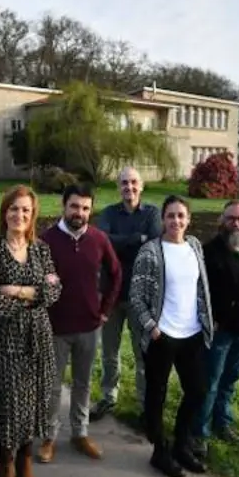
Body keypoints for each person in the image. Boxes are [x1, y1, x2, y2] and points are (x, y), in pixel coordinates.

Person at [0, 185, 62, 477]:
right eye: (14, 208)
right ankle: (6, 462)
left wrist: (19, 291)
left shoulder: (41, 250)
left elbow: (54, 290)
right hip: (6, 338)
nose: (20, 215)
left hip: (39, 335)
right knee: (10, 400)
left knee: (35, 396)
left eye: (25, 210)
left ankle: (26, 457)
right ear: (4, 212)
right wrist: (31, 295)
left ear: (33, 214)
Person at [127, 195, 214, 477]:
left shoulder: (195, 246)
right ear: (162, 220)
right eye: (170, 216)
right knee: (157, 395)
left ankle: (181, 444)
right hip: (162, 336)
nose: (176, 221)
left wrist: (205, 322)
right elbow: (136, 296)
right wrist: (152, 326)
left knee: (198, 390)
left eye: (181, 215)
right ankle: (160, 451)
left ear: (188, 219)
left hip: (191, 334)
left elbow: (201, 289)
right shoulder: (151, 252)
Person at [37, 184, 122, 463]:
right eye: (74, 206)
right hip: (56, 328)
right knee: (52, 385)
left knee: (83, 384)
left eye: (85, 208)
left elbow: (116, 273)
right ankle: (49, 437)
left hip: (89, 326)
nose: (80, 212)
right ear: (64, 206)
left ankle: (80, 433)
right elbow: (35, 280)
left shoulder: (99, 239)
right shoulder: (47, 240)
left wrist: (105, 310)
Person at [191, 200, 239, 459]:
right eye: (231, 218)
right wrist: (206, 320)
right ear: (221, 222)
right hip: (219, 332)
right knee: (210, 383)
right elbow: (196, 293)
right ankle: (198, 434)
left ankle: (222, 422)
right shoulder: (207, 253)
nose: (236, 223)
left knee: (230, 381)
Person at [91, 166, 162, 422]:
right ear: (118, 187)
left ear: (141, 186)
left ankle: (144, 406)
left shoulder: (152, 213)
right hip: (111, 294)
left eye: (133, 183)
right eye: (124, 183)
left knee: (142, 353)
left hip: (140, 297)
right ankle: (109, 397)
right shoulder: (109, 213)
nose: (129, 187)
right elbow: (101, 240)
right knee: (109, 352)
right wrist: (136, 238)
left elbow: (153, 242)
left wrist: (119, 242)